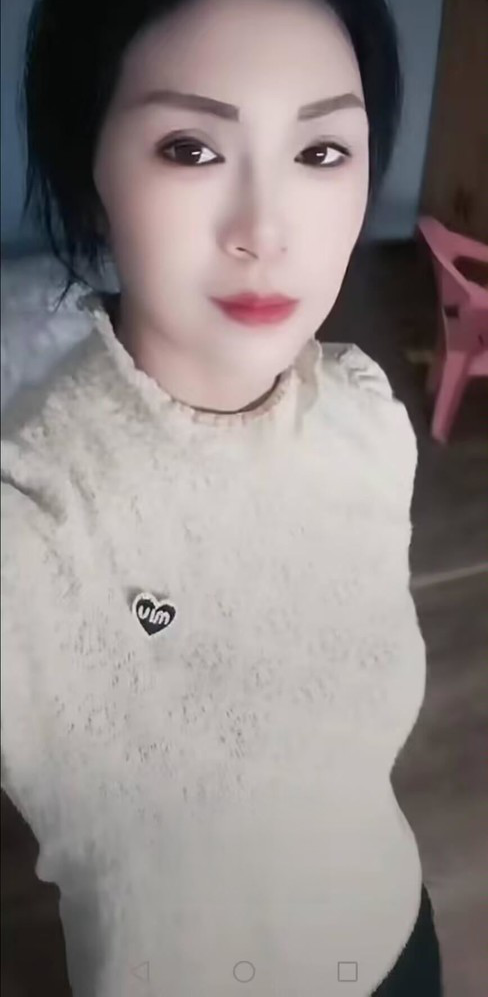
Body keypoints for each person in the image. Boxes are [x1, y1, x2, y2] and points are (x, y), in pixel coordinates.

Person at [1, 0, 444, 994]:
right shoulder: (28, 520)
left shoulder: (367, 418)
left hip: (400, 941)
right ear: (89, 170)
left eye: (321, 152)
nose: (265, 230)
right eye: (190, 149)